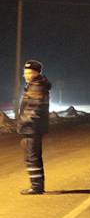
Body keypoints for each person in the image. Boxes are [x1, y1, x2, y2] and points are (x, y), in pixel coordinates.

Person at [17, 60, 51, 194]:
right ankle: (37, 186)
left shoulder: (36, 86)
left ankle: (36, 187)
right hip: (33, 127)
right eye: (24, 72)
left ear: (36, 73)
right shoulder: (35, 85)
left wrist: (24, 122)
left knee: (32, 157)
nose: (25, 75)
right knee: (33, 156)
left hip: (32, 127)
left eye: (29, 72)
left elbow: (34, 109)